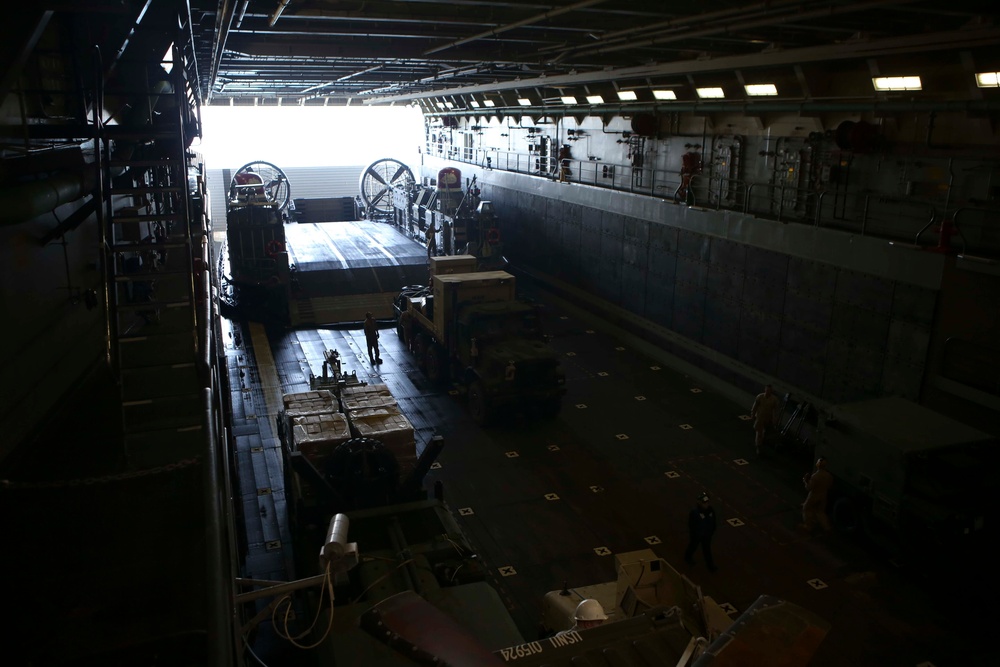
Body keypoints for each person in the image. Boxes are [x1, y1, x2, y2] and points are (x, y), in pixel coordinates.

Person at [684, 492, 717, 572]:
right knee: (693, 546)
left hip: (707, 535)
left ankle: (710, 566)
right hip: (697, 535)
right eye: (704, 503)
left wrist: (711, 531)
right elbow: (691, 525)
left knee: (707, 550)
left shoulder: (710, 510)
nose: (706, 504)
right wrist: (695, 534)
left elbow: (713, 521)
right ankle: (687, 557)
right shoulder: (695, 512)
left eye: (707, 502)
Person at [801, 457, 833, 533]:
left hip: (814, 495)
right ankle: (827, 527)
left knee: (806, 509)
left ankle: (808, 526)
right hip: (823, 495)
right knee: (821, 511)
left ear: (818, 465)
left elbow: (809, 488)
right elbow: (830, 485)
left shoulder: (815, 476)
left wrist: (805, 481)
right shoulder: (829, 475)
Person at [750, 384, 781, 456]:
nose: (768, 392)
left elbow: (776, 410)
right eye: (767, 390)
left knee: (767, 433)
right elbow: (755, 406)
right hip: (760, 417)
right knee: (759, 433)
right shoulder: (760, 397)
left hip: (768, 418)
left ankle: (762, 443)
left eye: (769, 391)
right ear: (765, 390)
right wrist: (753, 414)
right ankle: (758, 447)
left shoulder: (774, 399)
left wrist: (775, 419)